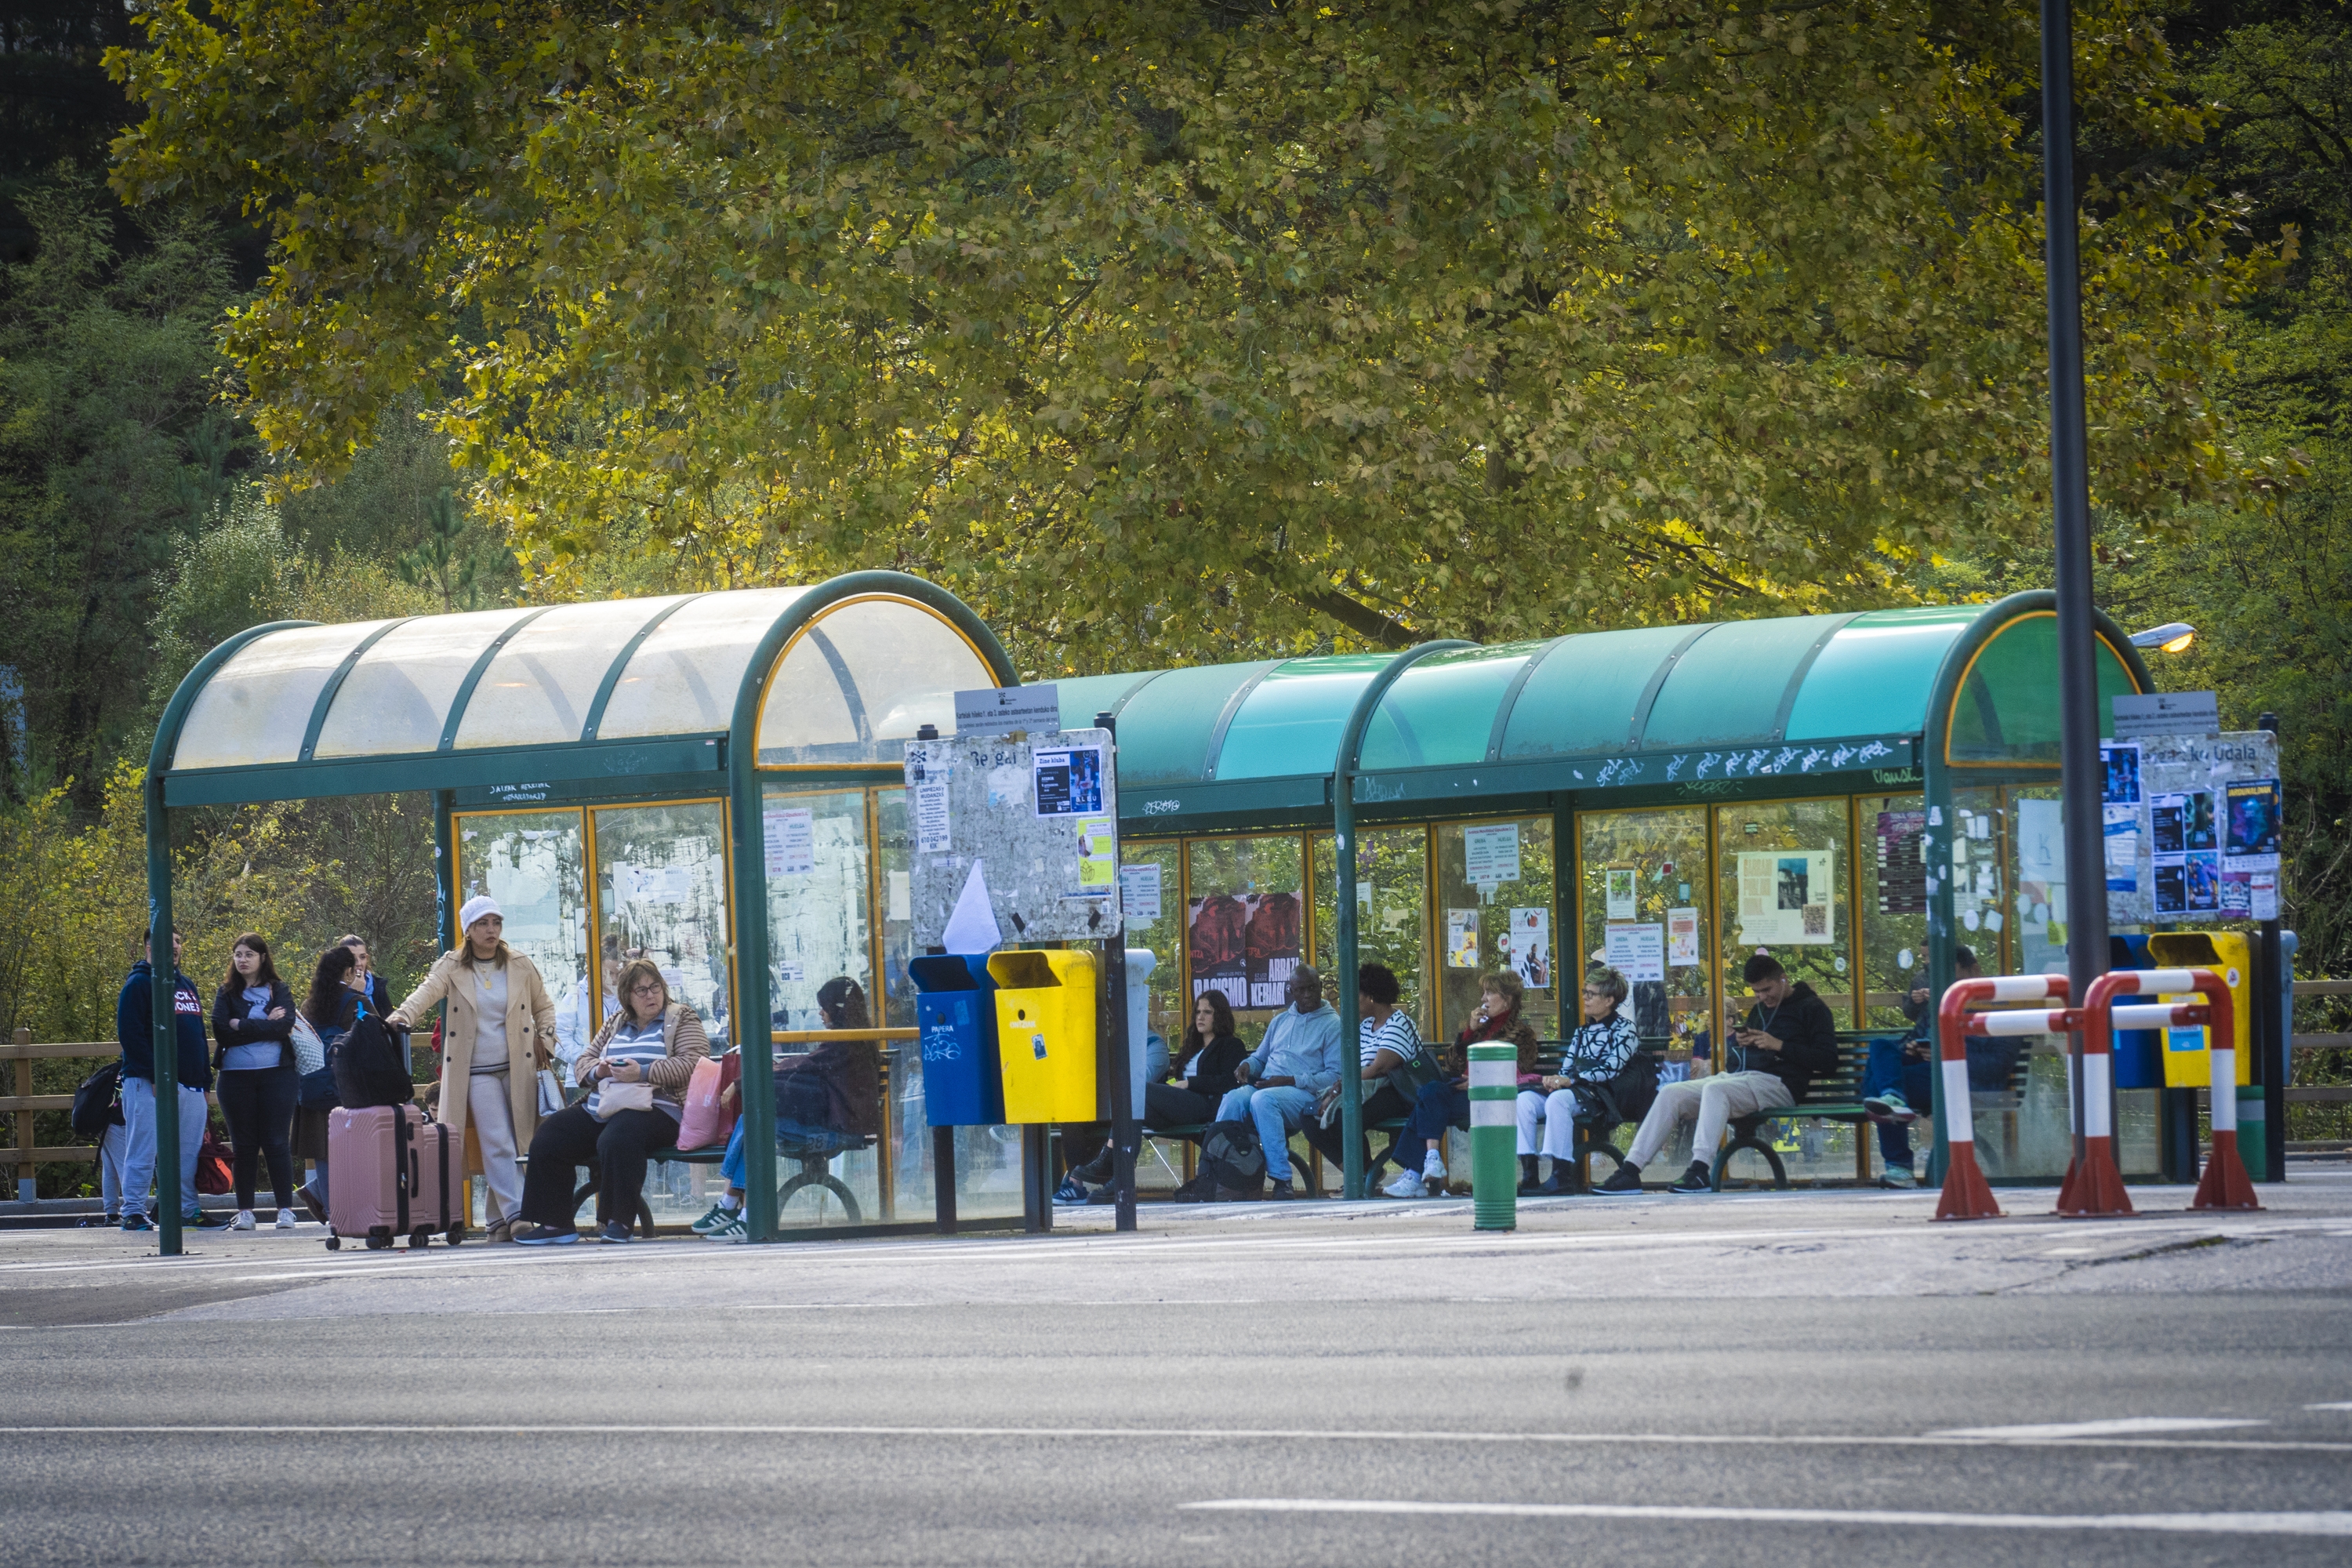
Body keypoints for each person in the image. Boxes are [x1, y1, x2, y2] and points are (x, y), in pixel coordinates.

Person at [389, 896, 560, 1243]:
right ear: (468, 929)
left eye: (496, 922)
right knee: (497, 1141)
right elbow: (425, 993)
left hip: (519, 1066)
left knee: (521, 1142)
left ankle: (496, 1222)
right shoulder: (451, 966)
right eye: (483, 923)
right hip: (476, 1072)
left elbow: (544, 1007)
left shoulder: (520, 964)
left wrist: (547, 1039)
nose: (491, 930)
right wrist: (402, 1016)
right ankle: (519, 1215)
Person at [1599, 951, 1838, 1194]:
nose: (1763, 997)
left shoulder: (1812, 1008)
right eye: (1756, 992)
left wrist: (1779, 1045)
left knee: (1716, 1089)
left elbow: (1828, 1061)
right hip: (1743, 1080)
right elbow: (1740, 1060)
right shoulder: (1760, 1010)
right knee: (1672, 1093)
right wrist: (1743, 1043)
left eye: (1767, 990)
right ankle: (1630, 1170)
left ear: (1783, 979)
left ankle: (1700, 1169)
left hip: (1783, 1084)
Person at [512, 959, 711, 1245]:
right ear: (627, 997)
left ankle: (618, 1222)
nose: (650, 995)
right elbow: (583, 1063)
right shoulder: (618, 1022)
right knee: (551, 1134)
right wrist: (600, 1070)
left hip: (659, 1108)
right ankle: (556, 1224)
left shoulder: (681, 1018)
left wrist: (641, 1072)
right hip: (605, 1105)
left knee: (619, 1137)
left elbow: (694, 1063)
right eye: (640, 990)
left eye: (655, 987)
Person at [697, 975, 873, 1241]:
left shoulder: (844, 1044)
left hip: (840, 1131)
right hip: (840, 1125)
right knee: (752, 1122)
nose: (821, 1013)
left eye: (824, 1006)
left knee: (755, 1124)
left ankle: (738, 1209)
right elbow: (806, 1066)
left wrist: (742, 1083)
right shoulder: (853, 1040)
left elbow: (804, 1065)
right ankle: (734, 1207)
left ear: (836, 1009)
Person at [1862, 946, 2017, 1186]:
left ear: (1974, 970)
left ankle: (1899, 1165)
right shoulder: (1939, 1004)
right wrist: (1911, 1048)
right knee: (1881, 1047)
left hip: (1967, 1081)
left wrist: (1946, 1055)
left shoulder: (1999, 1004)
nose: (1943, 981)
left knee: (1876, 1083)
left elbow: (1999, 1065)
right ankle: (1892, 1096)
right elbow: (1910, 1040)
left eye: (1949, 973)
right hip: (1933, 1076)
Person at [1385, 970, 1541, 1198]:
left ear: (1507, 999)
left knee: (1427, 1101)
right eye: (1483, 992)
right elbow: (1453, 1067)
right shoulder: (1479, 1030)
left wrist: (1480, 1081)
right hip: (1463, 1095)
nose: (1483, 999)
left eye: (1490, 993)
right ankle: (1429, 1160)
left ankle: (1416, 1173)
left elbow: (1520, 1070)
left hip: (1491, 1099)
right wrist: (1469, 1032)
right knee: (1431, 1092)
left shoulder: (1522, 1034)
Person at [113, 929, 220, 1232]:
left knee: (187, 1153)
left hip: (191, 1085)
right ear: (149, 947)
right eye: (167, 941)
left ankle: (187, 1210)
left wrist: (204, 1082)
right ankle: (133, 1211)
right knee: (143, 1149)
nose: (174, 947)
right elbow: (129, 1034)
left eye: (177, 942)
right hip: (148, 1083)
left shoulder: (186, 985)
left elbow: (198, 1035)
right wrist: (153, 1074)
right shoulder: (138, 984)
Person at [1211, 966, 1342, 1200]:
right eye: (1301, 990)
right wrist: (1247, 1065)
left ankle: (1282, 1180)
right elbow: (1260, 1058)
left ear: (1320, 987)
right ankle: (1218, 1174)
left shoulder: (1333, 1025)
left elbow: (1334, 1076)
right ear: (1291, 991)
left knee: (1263, 1100)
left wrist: (1290, 1080)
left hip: (1304, 1094)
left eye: (1312, 988)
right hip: (1268, 1086)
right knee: (1233, 1098)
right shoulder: (1281, 1021)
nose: (1307, 994)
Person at [1515, 964, 1643, 1195]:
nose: (1585, 997)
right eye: (1585, 992)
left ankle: (1561, 1177)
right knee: (1524, 1100)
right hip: (1576, 1092)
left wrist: (1570, 1082)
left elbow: (1611, 1070)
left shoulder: (1626, 1030)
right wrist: (1556, 1079)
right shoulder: (1581, 1032)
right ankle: (1529, 1175)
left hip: (1604, 1096)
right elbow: (1567, 1070)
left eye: (1591, 994)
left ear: (1609, 1000)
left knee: (1558, 1100)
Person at [208, 931, 302, 1230]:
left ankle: (285, 1210)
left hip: (278, 1075)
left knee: (276, 1142)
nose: (242, 960)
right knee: (243, 1144)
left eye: (249, 954)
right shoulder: (226, 993)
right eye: (238, 955)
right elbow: (222, 1031)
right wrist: (264, 1024)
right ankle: (245, 1212)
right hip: (235, 1078)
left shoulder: (279, 989)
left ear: (262, 957)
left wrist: (243, 1025)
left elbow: (286, 1026)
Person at [1298, 963, 1421, 1181]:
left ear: (1371, 997)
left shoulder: (1398, 1023)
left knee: (1345, 1116)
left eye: (1358, 994)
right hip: (1365, 1090)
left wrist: (1341, 1087)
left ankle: (1361, 1178)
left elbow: (1379, 1068)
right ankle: (1362, 1173)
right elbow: (1353, 1066)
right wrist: (1339, 1088)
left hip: (1395, 1092)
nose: (1353, 1000)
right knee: (1309, 1116)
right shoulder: (1365, 1026)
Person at [296, 944, 374, 1221]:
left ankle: (331, 1210)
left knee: (324, 1153)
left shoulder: (309, 1005)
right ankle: (359, 1212)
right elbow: (375, 1043)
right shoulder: (357, 1002)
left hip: (314, 1087)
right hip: (348, 1089)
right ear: (350, 971)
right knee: (358, 1150)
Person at [337, 934, 394, 1017]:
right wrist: (353, 993)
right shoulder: (332, 988)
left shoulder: (377, 986)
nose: (359, 963)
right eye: (352, 958)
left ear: (367, 958)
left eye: (362, 957)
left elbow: (387, 1023)